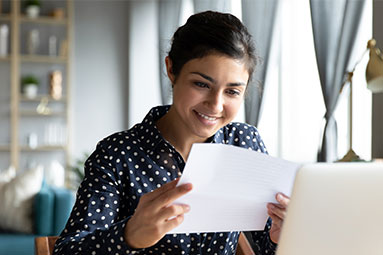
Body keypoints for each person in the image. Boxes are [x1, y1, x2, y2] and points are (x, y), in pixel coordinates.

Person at [53, 11, 289, 255]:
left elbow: (267, 245)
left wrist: (282, 238)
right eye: (201, 84)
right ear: (171, 70)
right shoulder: (117, 154)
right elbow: (67, 251)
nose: (215, 105)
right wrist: (128, 236)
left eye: (232, 92)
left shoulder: (244, 143)